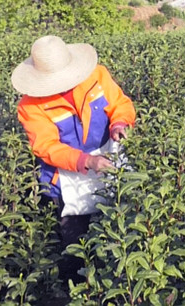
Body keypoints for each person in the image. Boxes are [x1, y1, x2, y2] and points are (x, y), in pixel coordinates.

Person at [12, 35, 135, 285]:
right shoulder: (30, 106)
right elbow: (46, 146)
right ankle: (79, 291)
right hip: (65, 178)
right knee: (75, 243)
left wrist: (120, 123)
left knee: (119, 229)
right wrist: (86, 162)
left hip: (107, 161)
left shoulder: (96, 76)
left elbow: (120, 104)